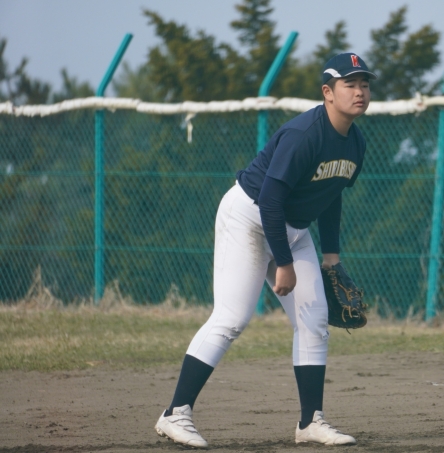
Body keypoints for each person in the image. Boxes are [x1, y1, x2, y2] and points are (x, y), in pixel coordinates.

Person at [154, 53, 376, 448]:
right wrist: (284, 264)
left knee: (314, 320)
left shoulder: (356, 143)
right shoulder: (304, 135)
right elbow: (270, 201)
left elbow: (332, 194)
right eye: (350, 84)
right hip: (249, 216)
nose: (359, 91)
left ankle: (310, 422)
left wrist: (331, 257)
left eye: (364, 84)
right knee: (232, 318)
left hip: (293, 227)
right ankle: (175, 413)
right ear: (328, 92)